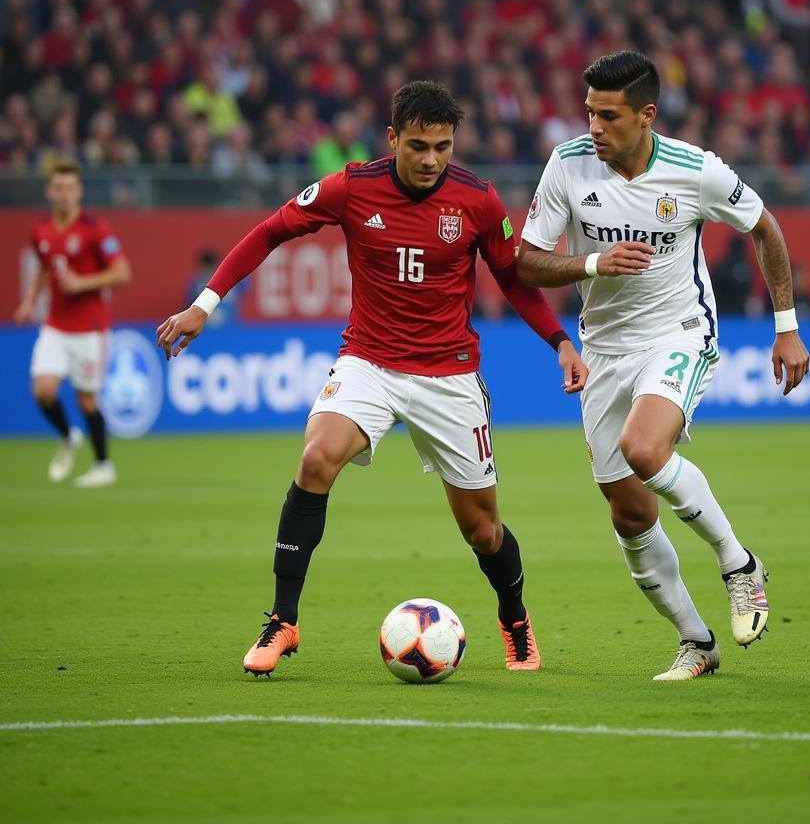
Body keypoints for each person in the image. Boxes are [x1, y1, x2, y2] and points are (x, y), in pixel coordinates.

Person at [156, 81, 587, 677]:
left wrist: (561, 342)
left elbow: (513, 279)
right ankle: (283, 620)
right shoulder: (353, 187)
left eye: (442, 146)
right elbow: (270, 231)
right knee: (315, 460)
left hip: (449, 376)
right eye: (418, 145)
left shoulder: (479, 201)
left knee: (483, 530)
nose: (431, 159)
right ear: (393, 139)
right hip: (370, 362)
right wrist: (205, 303)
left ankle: (514, 617)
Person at [517, 51, 810, 681]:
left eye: (610, 115)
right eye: (590, 111)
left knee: (645, 451)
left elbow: (765, 228)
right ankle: (696, 642)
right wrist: (591, 264)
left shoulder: (695, 170)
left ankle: (739, 563)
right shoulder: (568, 165)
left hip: (678, 334)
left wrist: (786, 327)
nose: (594, 126)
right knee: (629, 512)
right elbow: (526, 262)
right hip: (603, 351)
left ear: (647, 115)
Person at [14, 159, 131, 487]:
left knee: (86, 401)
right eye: (59, 188)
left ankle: (103, 465)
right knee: (43, 390)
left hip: (90, 328)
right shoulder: (41, 231)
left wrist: (83, 283)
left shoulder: (95, 229)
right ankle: (68, 436)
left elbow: (122, 273)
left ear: (79, 192)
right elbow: (42, 267)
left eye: (70, 188)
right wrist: (28, 301)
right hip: (55, 325)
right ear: (49, 191)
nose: (64, 194)